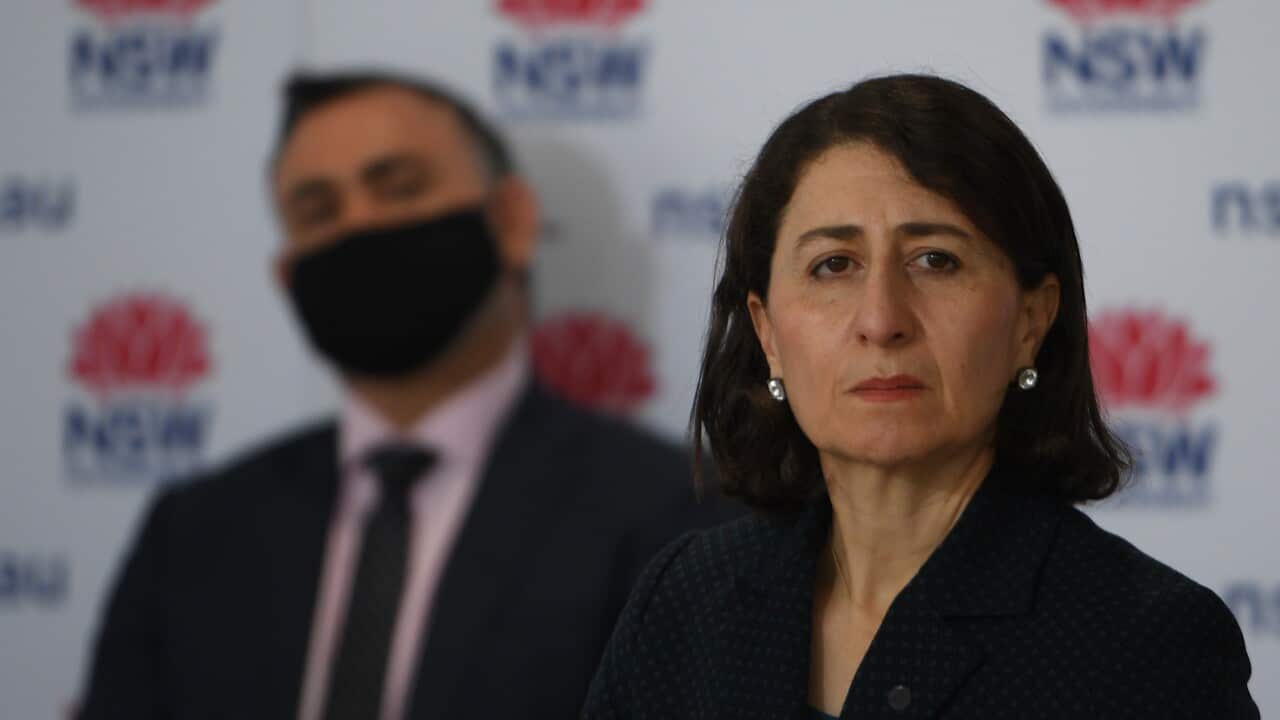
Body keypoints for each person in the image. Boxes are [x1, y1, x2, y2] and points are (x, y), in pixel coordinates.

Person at [582, 74, 1259, 719]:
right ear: (768, 333)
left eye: (935, 260)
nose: (882, 320)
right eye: (833, 266)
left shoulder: (1150, 644)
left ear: (1031, 321)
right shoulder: (683, 603)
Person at [78, 70, 734, 720]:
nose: (360, 226)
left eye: (399, 188)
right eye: (318, 211)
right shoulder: (194, 533)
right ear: (287, 274)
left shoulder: (673, 520)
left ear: (511, 221)